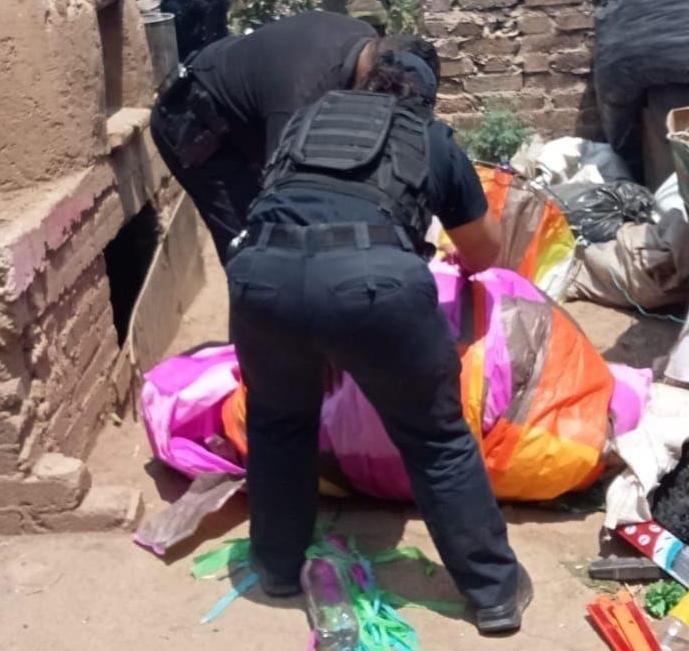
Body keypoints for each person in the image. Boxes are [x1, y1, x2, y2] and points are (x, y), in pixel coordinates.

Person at [226, 52, 532, 636]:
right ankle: (494, 592)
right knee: (435, 439)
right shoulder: (431, 139)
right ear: (426, 96)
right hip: (372, 287)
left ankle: (278, 568)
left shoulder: (303, 122)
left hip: (261, 276)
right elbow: (485, 253)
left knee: (278, 422)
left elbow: (286, 199)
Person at [149, 10, 439, 263]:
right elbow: (287, 193)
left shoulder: (363, 41)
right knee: (257, 248)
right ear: (384, 75)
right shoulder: (302, 95)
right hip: (197, 130)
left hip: (246, 116)